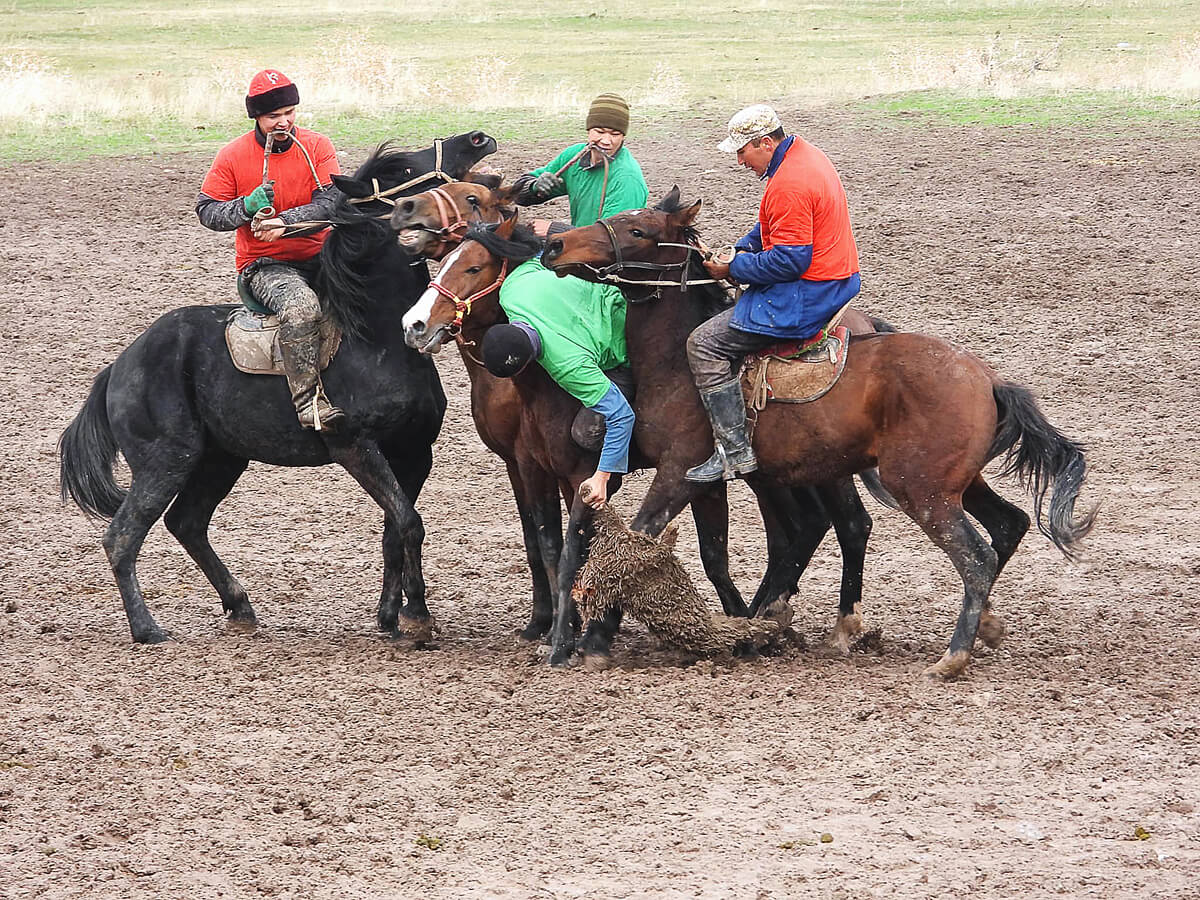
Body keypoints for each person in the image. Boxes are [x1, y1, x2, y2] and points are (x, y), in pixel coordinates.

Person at [685, 104, 861, 483]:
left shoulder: (789, 183)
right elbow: (771, 225)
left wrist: (732, 268)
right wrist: (742, 247)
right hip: (837, 278)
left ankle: (734, 452)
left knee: (704, 343)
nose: (738, 161)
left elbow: (789, 262)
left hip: (810, 292)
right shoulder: (805, 155)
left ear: (764, 143)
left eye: (741, 151)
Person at [197, 68, 345, 432]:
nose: (284, 122)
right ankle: (308, 403)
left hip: (322, 255)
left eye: (290, 112)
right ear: (257, 117)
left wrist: (285, 222)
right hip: (264, 264)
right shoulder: (232, 156)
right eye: (273, 116)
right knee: (302, 308)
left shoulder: (318, 146)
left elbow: (331, 203)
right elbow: (207, 211)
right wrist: (245, 207)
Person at [480, 258, 634, 510]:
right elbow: (543, 256)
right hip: (607, 283)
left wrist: (601, 477)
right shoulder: (512, 291)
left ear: (523, 367)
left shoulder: (568, 366)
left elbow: (621, 415)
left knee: (585, 434)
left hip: (627, 335)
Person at [512, 93, 649, 238]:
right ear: (588, 130)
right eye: (600, 132)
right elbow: (517, 196)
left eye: (615, 134)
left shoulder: (627, 178)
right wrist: (534, 187)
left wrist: (554, 230)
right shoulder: (575, 156)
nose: (606, 141)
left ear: (623, 136)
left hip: (608, 257)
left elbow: (614, 239)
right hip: (578, 246)